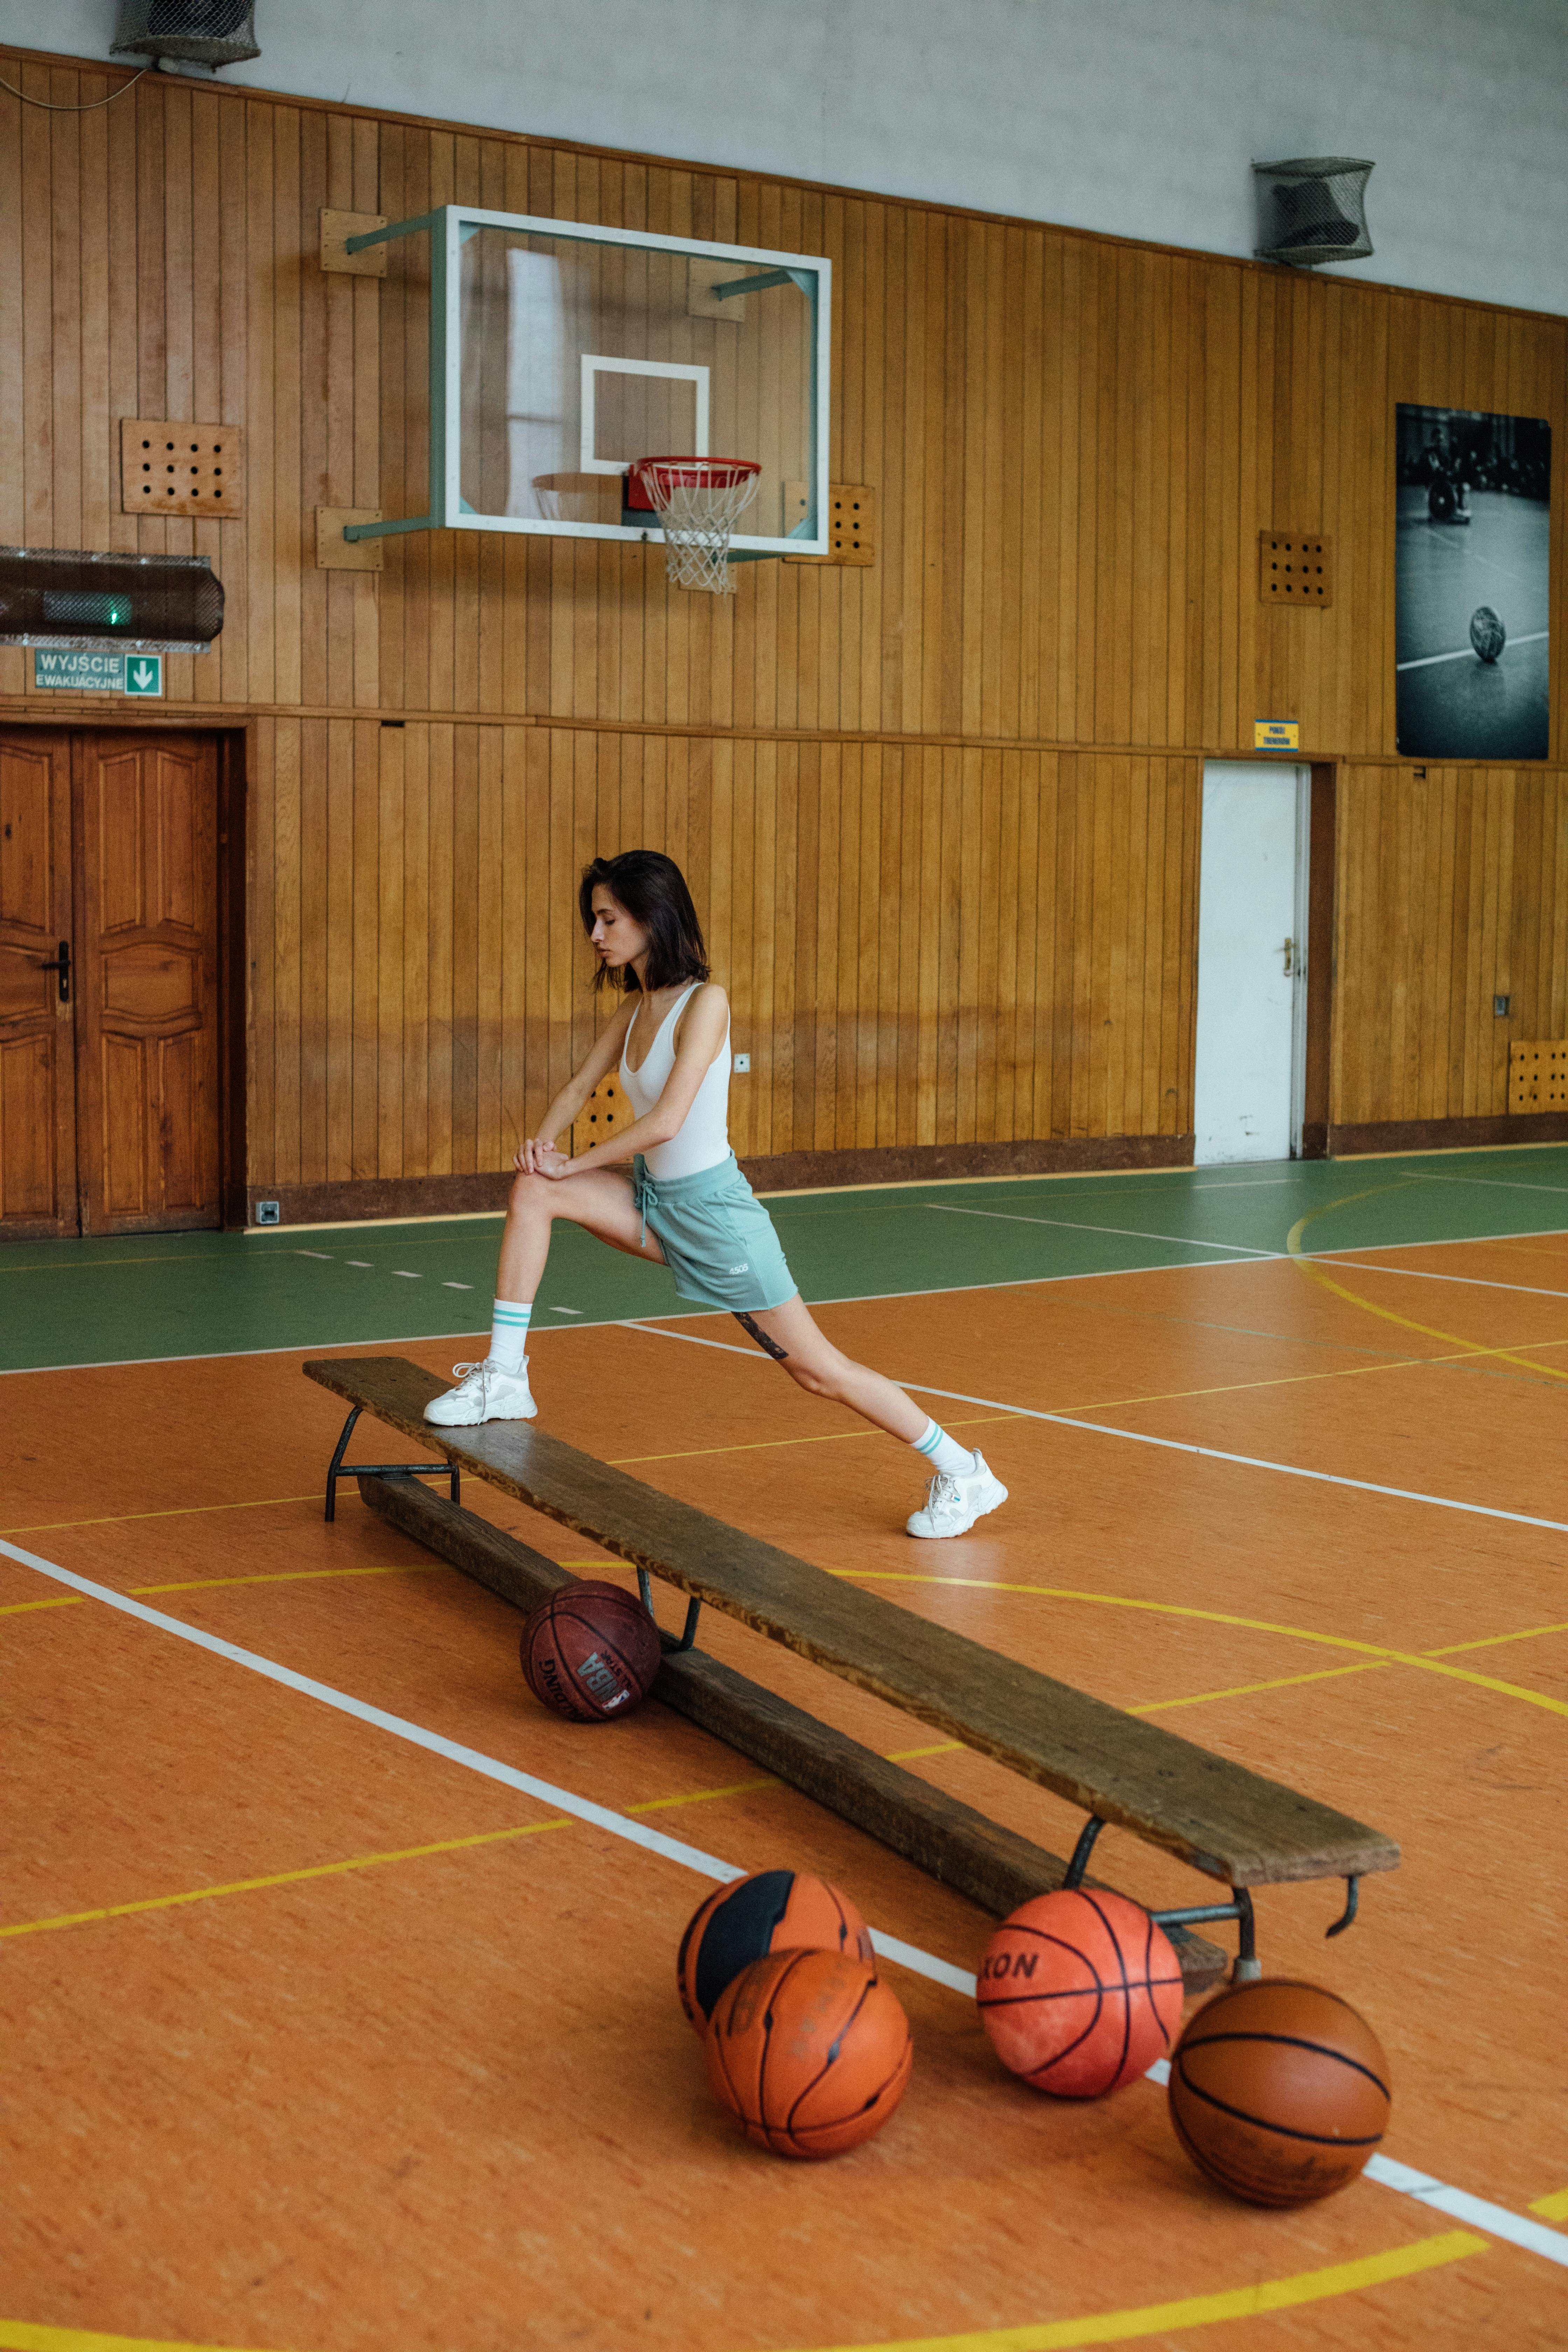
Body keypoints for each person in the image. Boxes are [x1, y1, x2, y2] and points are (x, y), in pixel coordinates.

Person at [423, 849, 1008, 1541]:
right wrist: (542, 1149)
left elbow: (666, 1121)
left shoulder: (707, 1003)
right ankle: (504, 1376)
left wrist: (573, 1163)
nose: (595, 933)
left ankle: (963, 1471)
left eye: (608, 918)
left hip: (714, 1220)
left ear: (650, 918)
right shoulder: (635, 1009)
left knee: (819, 1373)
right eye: (593, 919)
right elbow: (579, 1087)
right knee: (534, 1191)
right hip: (653, 1204)